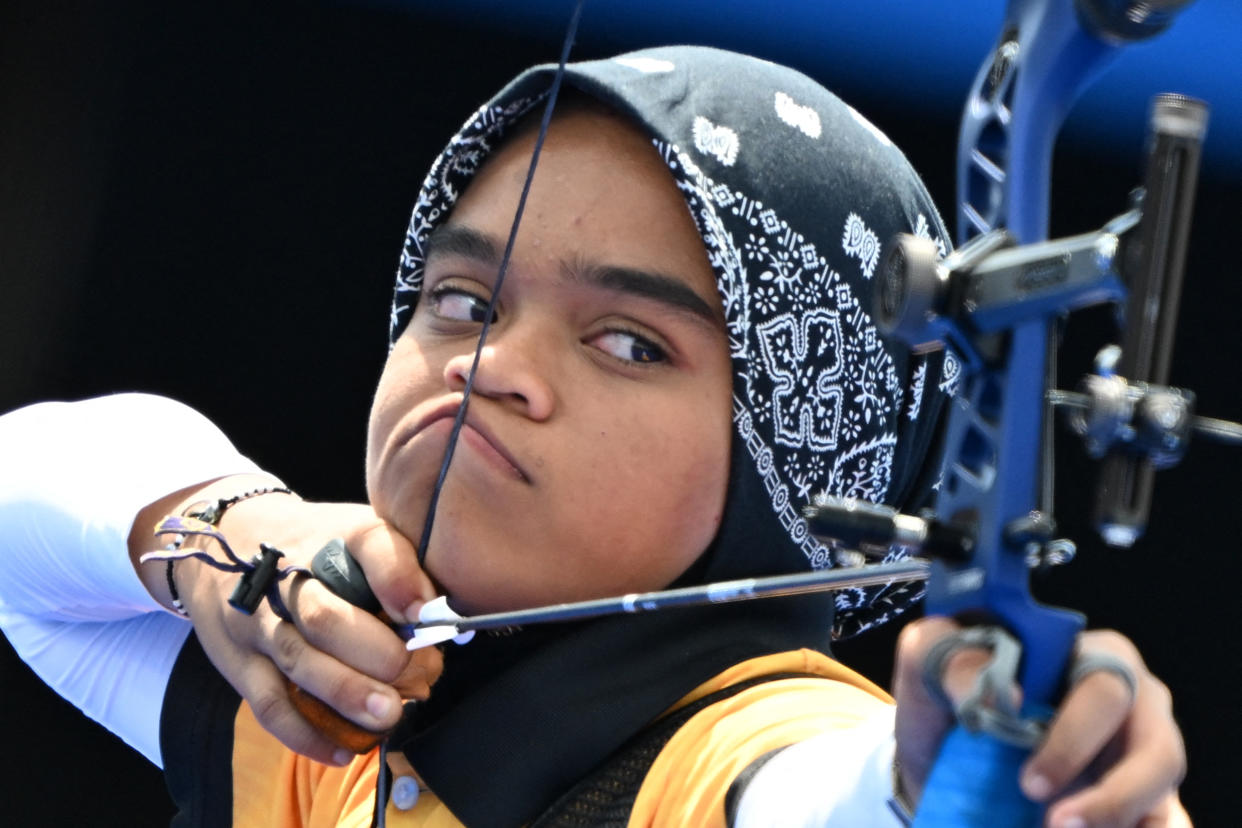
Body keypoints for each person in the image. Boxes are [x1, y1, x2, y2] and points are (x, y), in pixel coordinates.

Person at [0, 46, 1186, 826]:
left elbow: (831, 790)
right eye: (463, 303)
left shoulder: (739, 748)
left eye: (629, 343)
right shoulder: (326, 706)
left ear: (805, 463)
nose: (490, 369)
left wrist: (988, 768)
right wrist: (222, 536)